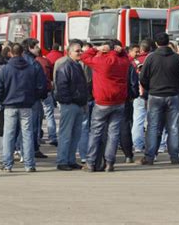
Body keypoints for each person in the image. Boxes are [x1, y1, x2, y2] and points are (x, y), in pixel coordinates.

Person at [138, 33, 179, 165]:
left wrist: (150, 88)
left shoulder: (151, 58)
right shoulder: (177, 58)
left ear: (156, 43)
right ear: (168, 43)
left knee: (153, 127)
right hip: (173, 95)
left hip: (155, 95)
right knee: (173, 127)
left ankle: (150, 156)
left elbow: (143, 78)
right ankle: (174, 156)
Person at [80, 40, 131, 172]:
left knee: (95, 132)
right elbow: (127, 57)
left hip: (102, 101)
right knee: (113, 133)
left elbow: (84, 56)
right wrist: (122, 51)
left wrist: (97, 48)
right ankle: (109, 163)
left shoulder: (101, 62)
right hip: (119, 101)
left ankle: (90, 162)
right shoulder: (124, 62)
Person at [0, 43, 43, 172]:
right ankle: (29, 164)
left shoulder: (5, 69)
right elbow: (39, 86)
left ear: (10, 52)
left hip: (10, 104)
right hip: (26, 104)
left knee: (9, 135)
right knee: (27, 135)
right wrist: (32, 99)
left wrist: (2, 101)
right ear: (22, 53)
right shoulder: (31, 68)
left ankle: (7, 164)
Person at [54, 42, 88, 170]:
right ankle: (62, 161)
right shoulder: (65, 66)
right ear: (69, 52)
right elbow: (61, 86)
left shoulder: (77, 66)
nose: (80, 53)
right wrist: (68, 101)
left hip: (78, 104)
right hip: (70, 104)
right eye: (77, 51)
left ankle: (71, 159)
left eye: (81, 51)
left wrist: (83, 102)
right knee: (66, 134)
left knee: (75, 135)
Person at [22, 38, 48, 159]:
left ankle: (22, 150)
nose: (39, 49)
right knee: (34, 125)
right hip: (33, 98)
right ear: (30, 48)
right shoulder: (33, 63)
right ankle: (33, 149)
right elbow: (41, 82)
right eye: (36, 46)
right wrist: (42, 93)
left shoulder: (18, 60)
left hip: (20, 97)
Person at [131, 39, 153, 153]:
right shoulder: (153, 60)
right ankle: (153, 145)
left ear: (141, 49)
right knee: (152, 121)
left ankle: (138, 145)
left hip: (138, 94)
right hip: (152, 93)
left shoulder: (134, 61)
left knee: (138, 120)